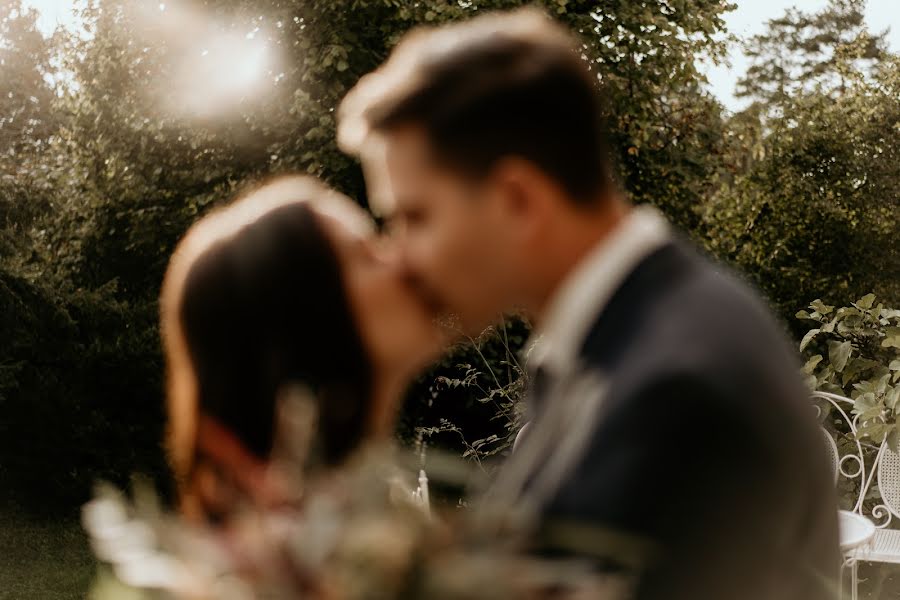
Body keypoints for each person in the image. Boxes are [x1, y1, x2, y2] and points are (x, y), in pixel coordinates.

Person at [338, 8, 840, 600]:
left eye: (414, 217)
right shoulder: (629, 331)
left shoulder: (676, 396)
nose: (402, 259)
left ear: (517, 200)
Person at [160, 175, 443, 520]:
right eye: (367, 254)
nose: (400, 259)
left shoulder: (378, 517)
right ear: (305, 324)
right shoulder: (305, 556)